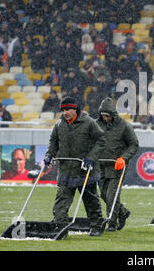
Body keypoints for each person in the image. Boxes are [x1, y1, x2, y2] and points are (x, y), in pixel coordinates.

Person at [44, 96, 107, 237]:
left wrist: (90, 158)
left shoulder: (89, 122)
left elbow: (101, 141)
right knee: (61, 201)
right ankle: (60, 228)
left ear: (75, 109)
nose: (65, 112)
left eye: (68, 109)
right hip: (66, 170)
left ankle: (97, 226)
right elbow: (53, 142)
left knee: (90, 200)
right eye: (63, 110)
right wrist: (49, 155)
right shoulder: (59, 124)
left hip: (85, 170)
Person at [95, 97, 139, 232]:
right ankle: (123, 212)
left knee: (111, 195)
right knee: (103, 194)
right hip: (101, 165)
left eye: (107, 116)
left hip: (117, 166)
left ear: (112, 115)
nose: (105, 118)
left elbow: (133, 144)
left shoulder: (124, 126)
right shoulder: (96, 124)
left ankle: (112, 223)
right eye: (103, 116)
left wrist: (123, 158)